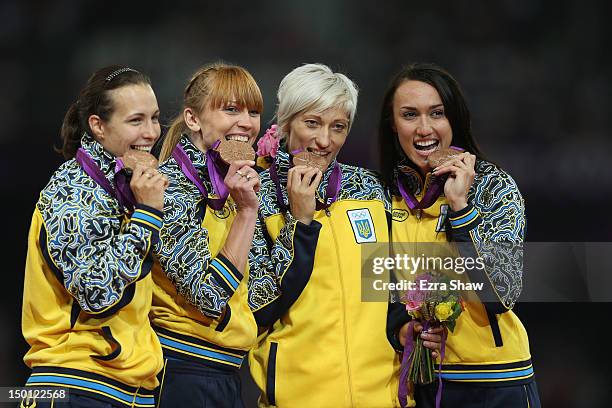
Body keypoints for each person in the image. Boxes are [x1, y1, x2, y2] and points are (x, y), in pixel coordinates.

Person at [248, 63, 442, 408]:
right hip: (298, 399)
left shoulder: (368, 189)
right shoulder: (253, 193)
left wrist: (402, 330)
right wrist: (300, 221)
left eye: (338, 127)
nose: (325, 140)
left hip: (383, 399)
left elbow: (387, 288)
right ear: (286, 121)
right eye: (312, 123)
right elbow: (256, 307)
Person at [380, 63, 541, 407]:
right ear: (393, 124)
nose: (425, 128)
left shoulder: (494, 188)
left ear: (454, 118)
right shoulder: (385, 196)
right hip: (422, 380)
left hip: (494, 381)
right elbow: (381, 285)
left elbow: (500, 296)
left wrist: (460, 209)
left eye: (436, 113)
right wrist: (403, 329)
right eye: (410, 115)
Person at [22, 66, 167, 407]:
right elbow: (98, 295)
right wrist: (147, 216)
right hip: (73, 383)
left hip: (124, 386)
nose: (151, 133)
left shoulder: (129, 185)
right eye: (136, 120)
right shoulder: (71, 194)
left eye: (155, 118)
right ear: (98, 127)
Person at [151, 63, 262, 408]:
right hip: (181, 369)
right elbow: (210, 297)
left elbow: (258, 290)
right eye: (231, 109)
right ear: (193, 119)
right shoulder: (168, 188)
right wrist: (247, 215)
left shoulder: (234, 188)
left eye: (254, 111)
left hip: (228, 372)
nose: (247, 122)